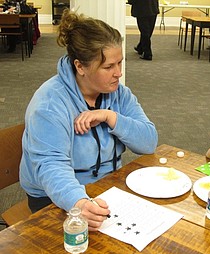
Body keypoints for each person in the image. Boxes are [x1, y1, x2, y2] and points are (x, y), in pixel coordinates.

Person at [19, 9, 158, 231]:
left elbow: (149, 142)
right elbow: (51, 167)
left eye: (119, 63)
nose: (118, 73)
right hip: (56, 196)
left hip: (106, 186)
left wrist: (110, 117)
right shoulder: (50, 104)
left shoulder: (118, 93)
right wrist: (79, 202)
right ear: (80, 66)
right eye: (108, 67)